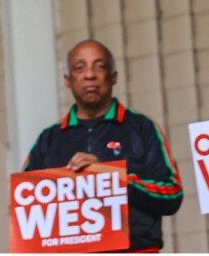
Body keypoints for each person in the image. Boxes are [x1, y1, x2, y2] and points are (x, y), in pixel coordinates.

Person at [23, 39, 183, 252]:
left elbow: (172, 195)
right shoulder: (49, 139)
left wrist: (111, 177)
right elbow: (22, 207)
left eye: (99, 66)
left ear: (113, 77)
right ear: (67, 80)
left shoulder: (141, 128)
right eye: (79, 68)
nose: (89, 74)